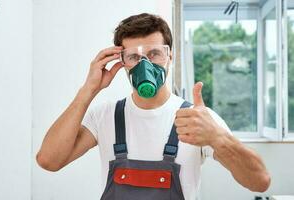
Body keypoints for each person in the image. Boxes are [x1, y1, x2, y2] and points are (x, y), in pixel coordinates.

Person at [36, 13, 270, 200]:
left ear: (170, 57)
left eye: (155, 54)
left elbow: (260, 181)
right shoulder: (104, 115)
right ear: (122, 62)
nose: (145, 65)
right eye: (135, 57)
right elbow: (49, 160)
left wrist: (217, 138)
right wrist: (89, 90)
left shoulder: (197, 118)